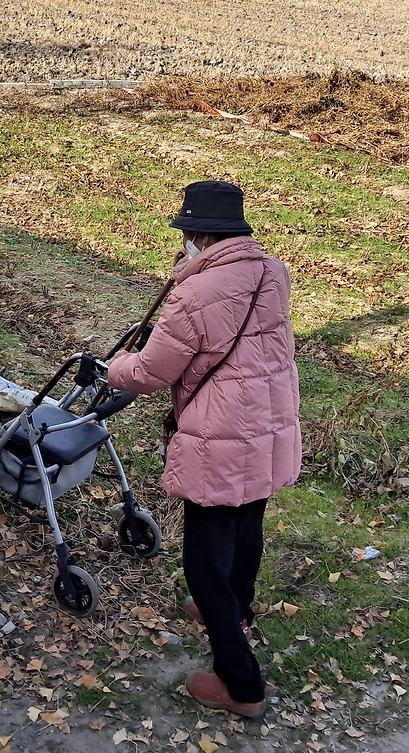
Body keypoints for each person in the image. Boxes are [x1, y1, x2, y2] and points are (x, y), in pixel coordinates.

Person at [108, 180, 302, 719]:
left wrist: (113, 367)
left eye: (187, 236)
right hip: (267, 427)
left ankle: (241, 686)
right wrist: (190, 272)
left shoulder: (194, 295)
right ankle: (238, 612)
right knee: (246, 528)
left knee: (203, 564)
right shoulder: (273, 271)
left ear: (198, 236)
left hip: (220, 435)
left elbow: (150, 371)